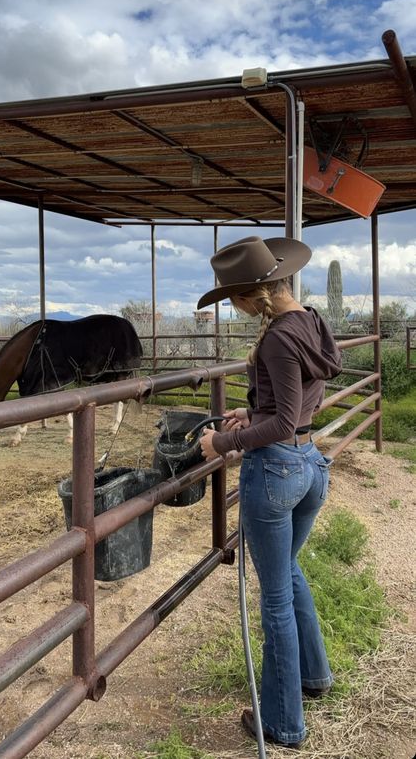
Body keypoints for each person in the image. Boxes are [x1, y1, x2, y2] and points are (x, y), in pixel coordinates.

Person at [197, 235, 342, 749]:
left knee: (275, 598)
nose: (233, 307)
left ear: (249, 295)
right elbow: (300, 407)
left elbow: (281, 422)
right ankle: (314, 676)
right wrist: (251, 412)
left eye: (232, 298)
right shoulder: (312, 323)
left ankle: (282, 723)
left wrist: (224, 441)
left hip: (277, 472)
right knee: (292, 573)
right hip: (309, 466)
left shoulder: (280, 336)